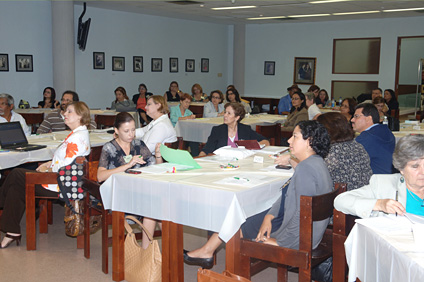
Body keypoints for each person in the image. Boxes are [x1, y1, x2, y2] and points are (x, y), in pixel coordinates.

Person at [185, 121, 332, 268]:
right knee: (241, 215)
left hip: (301, 240)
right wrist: (269, 216)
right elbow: (287, 195)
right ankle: (207, 251)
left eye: (295, 136)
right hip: (308, 233)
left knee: (234, 221)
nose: (289, 140)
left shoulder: (306, 169)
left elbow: (301, 213)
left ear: (309, 141)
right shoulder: (315, 163)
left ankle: (226, 267)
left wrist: (281, 242)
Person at [0, 101, 91, 248]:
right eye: (65, 111)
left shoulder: (77, 137)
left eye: (69, 112)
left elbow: (64, 167)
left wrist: (48, 170)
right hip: (61, 179)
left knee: (16, 174)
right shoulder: (79, 133)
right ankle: (12, 231)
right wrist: (49, 163)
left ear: (80, 116)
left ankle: (5, 215)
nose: (64, 114)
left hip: (59, 184)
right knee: (16, 187)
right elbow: (66, 160)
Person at [97, 112, 163, 249]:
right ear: (116, 131)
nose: (131, 134)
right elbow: (100, 176)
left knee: (159, 205)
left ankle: (154, 251)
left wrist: (158, 156)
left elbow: (155, 169)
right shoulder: (109, 148)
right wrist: (127, 165)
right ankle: (149, 252)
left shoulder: (139, 144)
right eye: (126, 131)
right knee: (154, 207)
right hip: (118, 195)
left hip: (140, 190)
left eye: (133, 130)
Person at [334, 134, 424, 218]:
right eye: (415, 166)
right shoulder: (384, 184)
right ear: (401, 167)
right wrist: (380, 204)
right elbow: (340, 201)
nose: (422, 172)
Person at [317, 112, 372, 191]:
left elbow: (317, 175)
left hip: (341, 198)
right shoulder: (357, 145)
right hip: (364, 194)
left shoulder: (333, 151)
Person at [199, 102, 269, 156]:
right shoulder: (217, 130)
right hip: (221, 164)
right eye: (225, 112)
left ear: (237, 117)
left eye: (229, 113)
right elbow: (206, 150)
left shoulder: (245, 129)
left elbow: (266, 142)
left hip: (242, 164)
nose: (225, 115)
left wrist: (253, 145)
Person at [351, 103, 395, 174]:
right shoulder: (387, 132)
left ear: (368, 119)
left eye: (356, 116)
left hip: (373, 181)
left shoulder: (365, 138)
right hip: (389, 178)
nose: (352, 120)